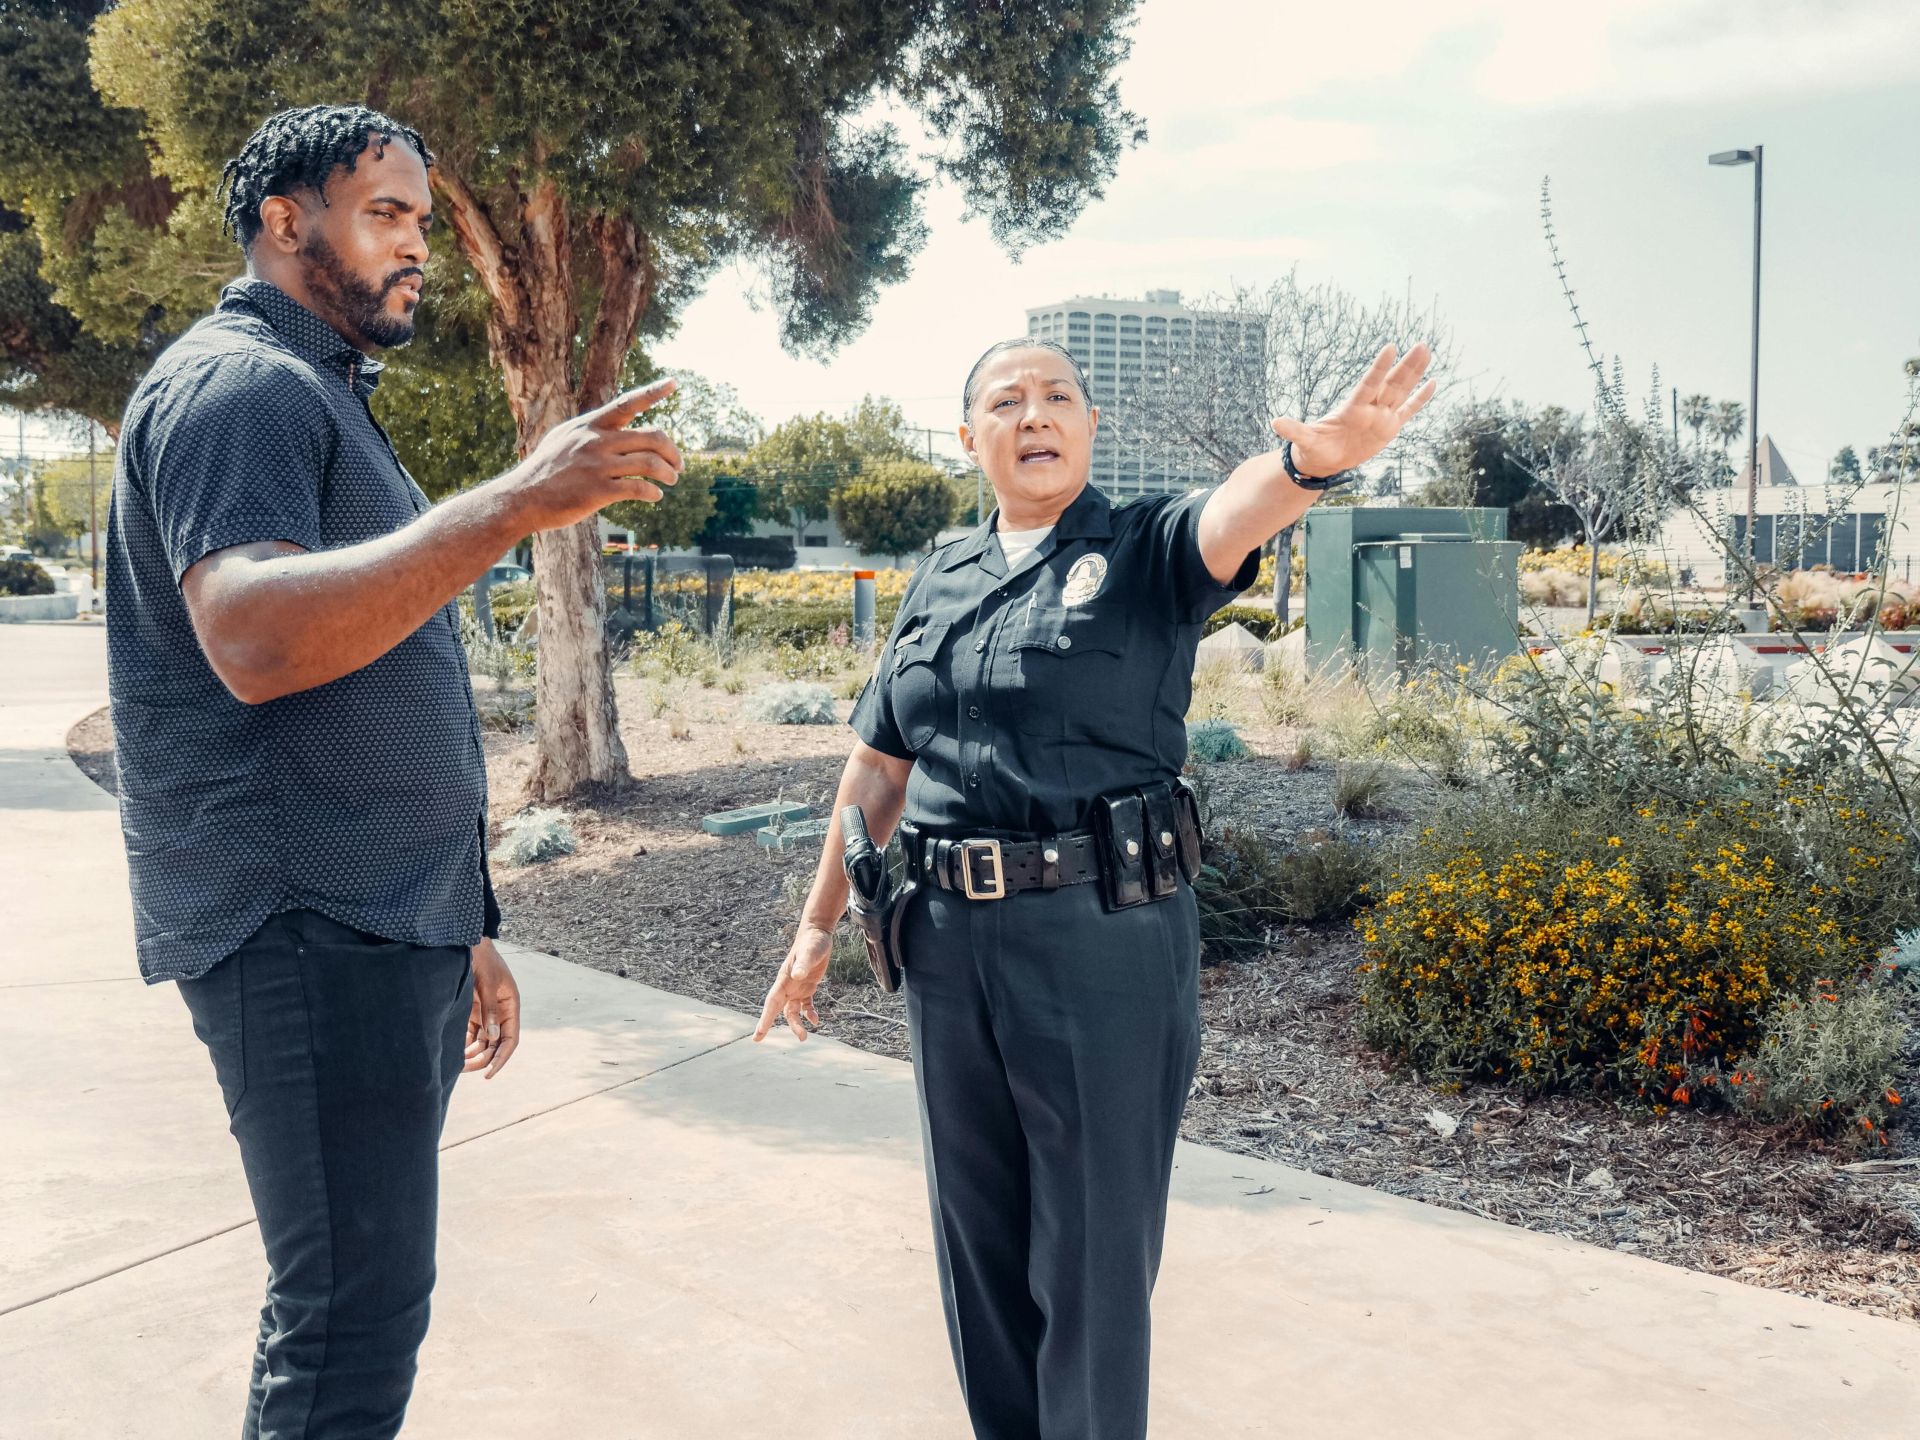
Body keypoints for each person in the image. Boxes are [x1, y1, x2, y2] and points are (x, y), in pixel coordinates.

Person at [104, 105, 681, 1438]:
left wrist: (458, 917)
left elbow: (370, 672)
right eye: (387, 214)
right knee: (349, 1321)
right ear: (285, 221)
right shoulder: (239, 388)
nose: (418, 244)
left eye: (422, 217)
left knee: (359, 1304)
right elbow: (253, 636)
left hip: (372, 920)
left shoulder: (318, 396)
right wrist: (516, 501)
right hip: (302, 926)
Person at [753, 335, 1433, 1438]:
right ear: (968, 435)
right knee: (978, 1248)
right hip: (941, 946)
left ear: (1090, 426)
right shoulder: (942, 573)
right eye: (1007, 401)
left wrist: (1311, 467)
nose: (1036, 416)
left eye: (1059, 397)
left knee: (1091, 1260)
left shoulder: (1145, 547)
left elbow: (1235, 516)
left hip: (1097, 942)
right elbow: (878, 764)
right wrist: (816, 924)